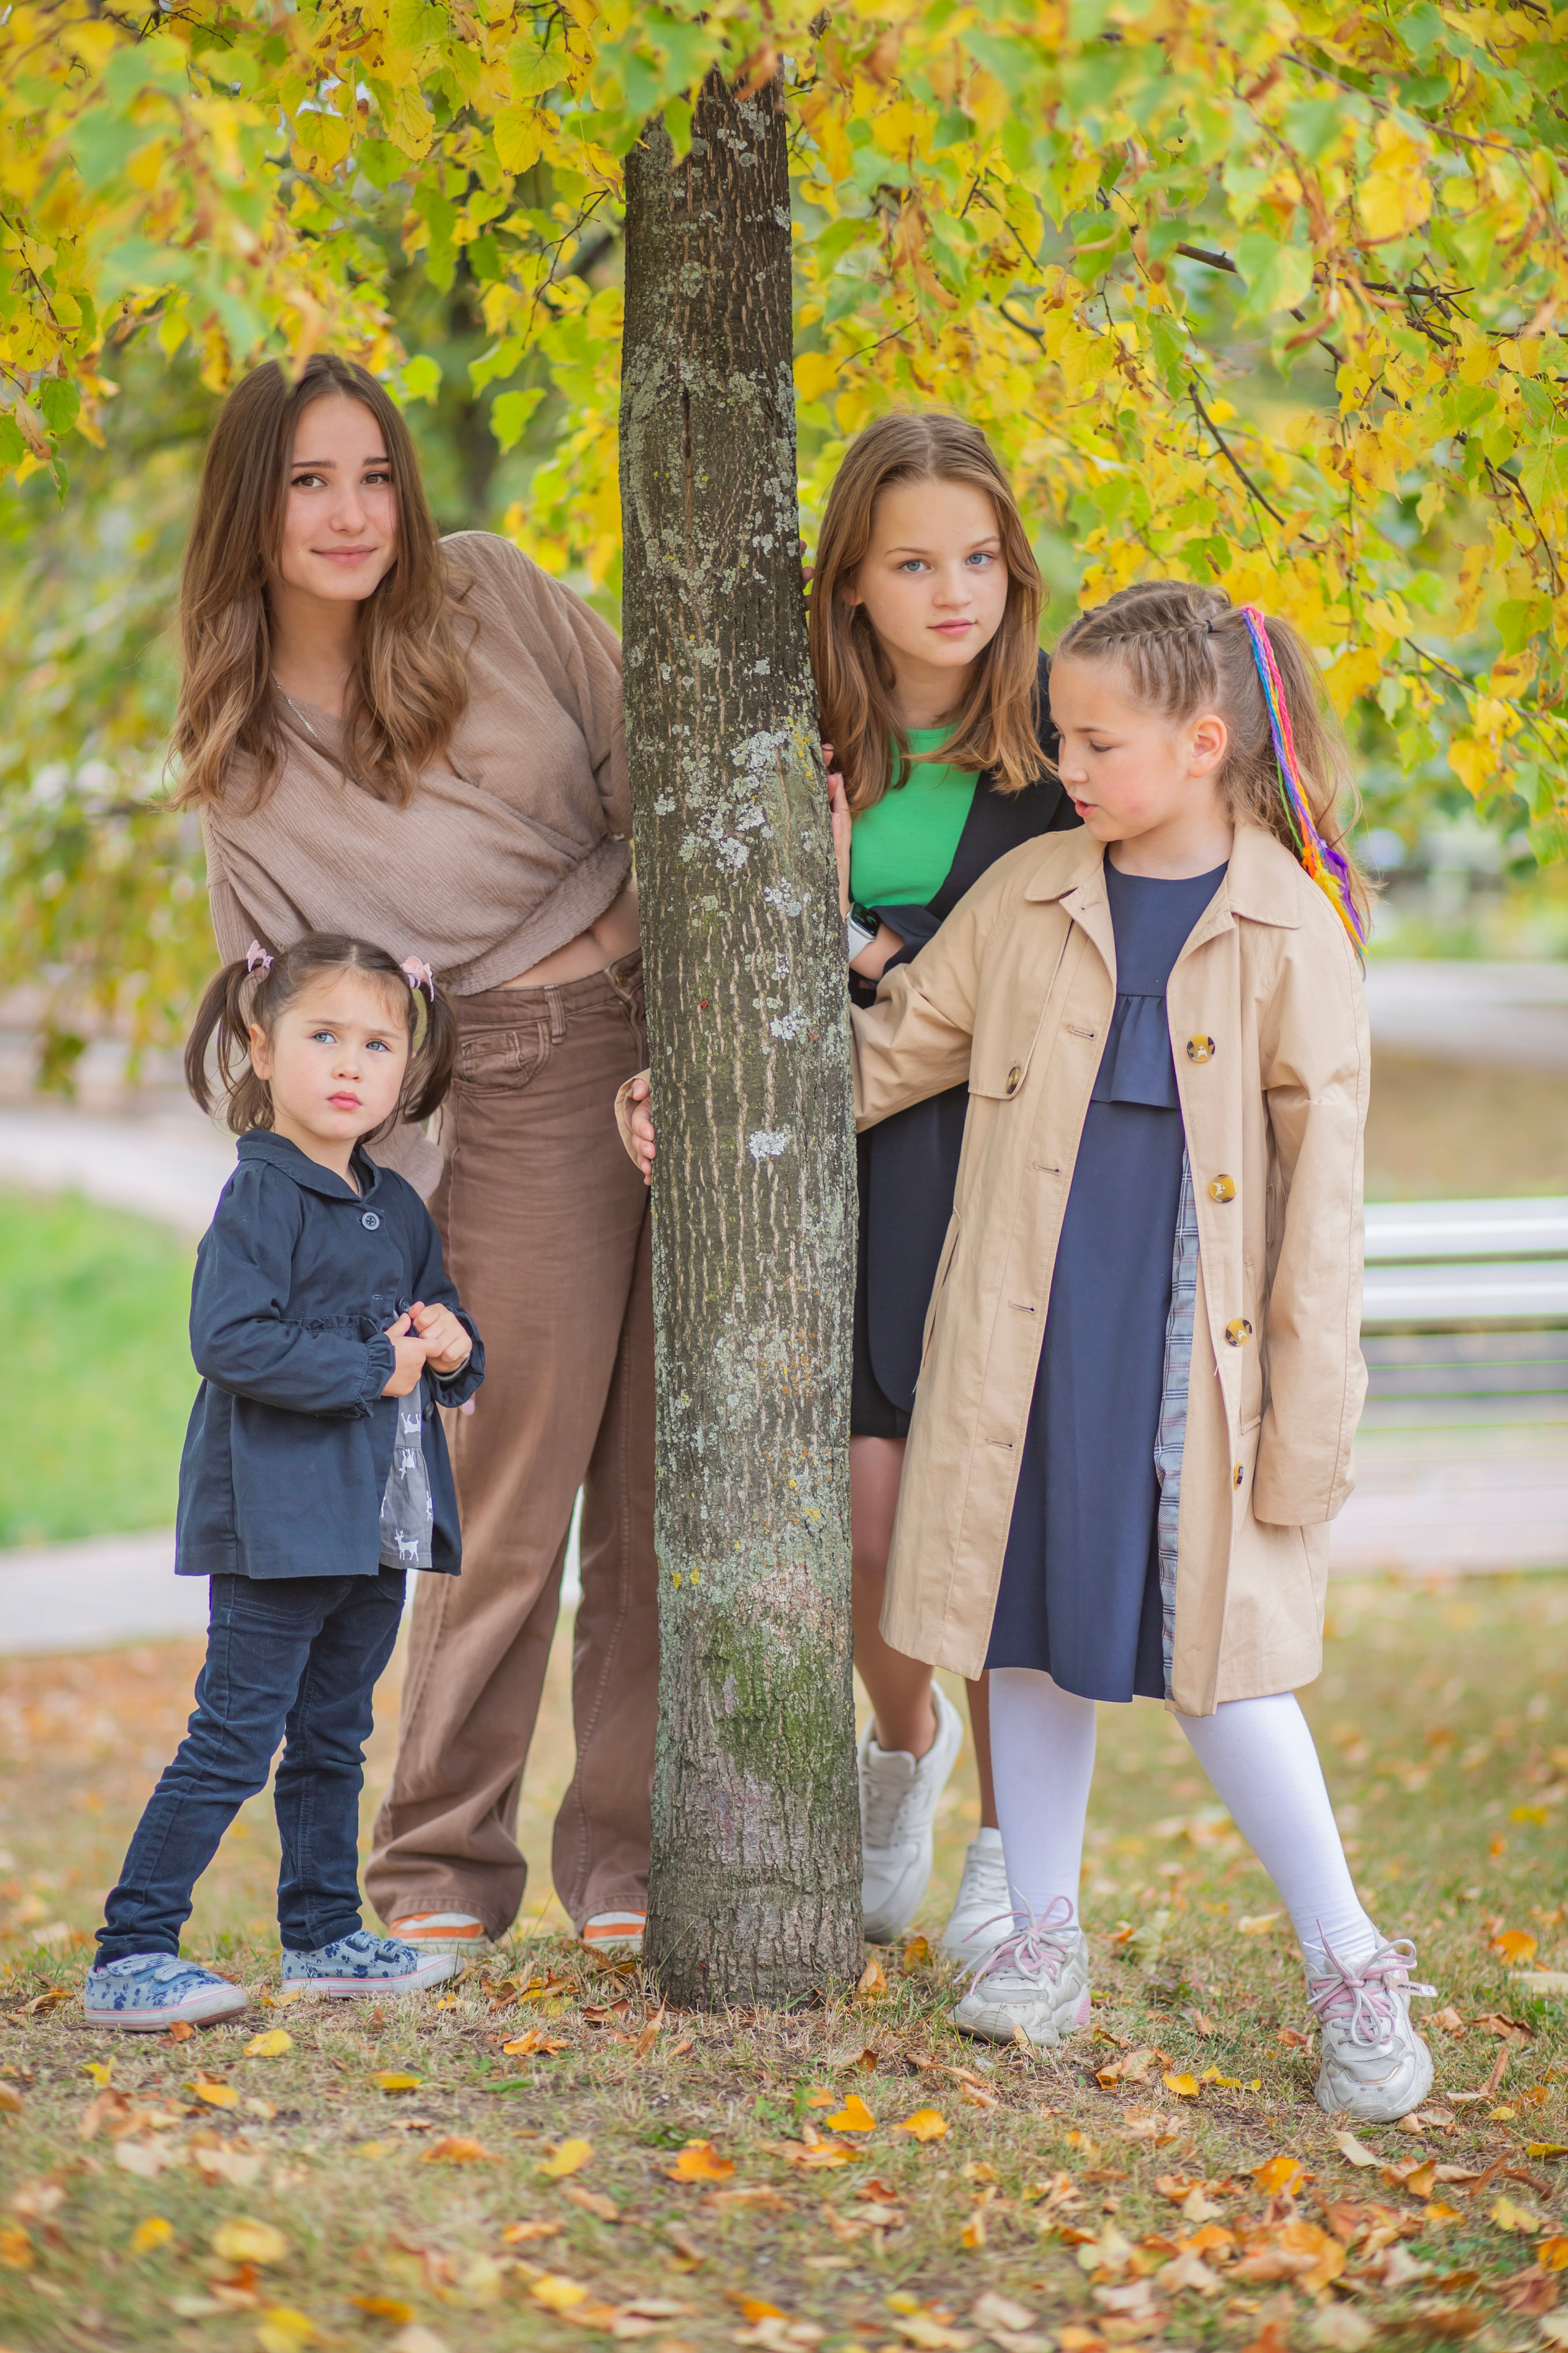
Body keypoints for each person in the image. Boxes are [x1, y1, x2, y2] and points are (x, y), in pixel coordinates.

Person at [628, 583, 1438, 2125]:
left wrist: (1307, 1425)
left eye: (1095, 741)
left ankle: (1348, 1964)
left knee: (1226, 1673)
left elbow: (1320, 1217)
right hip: (1020, 1352)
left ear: (1202, 743)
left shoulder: (1291, 932)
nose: (1063, 764)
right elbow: (886, 1050)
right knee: (1018, 1631)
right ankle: (1040, 1940)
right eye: (1060, 735)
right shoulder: (1028, 897)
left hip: (1193, 1375)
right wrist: (703, 1101)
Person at [173, 353, 655, 1960]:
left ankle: (630, 1858)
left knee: (666, 1482)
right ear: (250, 509)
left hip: (679, 1030)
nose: (351, 511)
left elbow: (655, 771)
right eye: (310, 480)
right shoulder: (247, 765)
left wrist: (692, 1023)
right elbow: (297, 1016)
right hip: (501, 1081)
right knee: (504, 1486)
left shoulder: (495, 593)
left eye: (374, 473)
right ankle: (441, 1866)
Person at [85, 935, 484, 2030]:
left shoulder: (396, 1204)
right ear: (262, 1049)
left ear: (407, 1067)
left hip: (376, 1521)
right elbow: (230, 1340)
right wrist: (370, 1367)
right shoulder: (262, 1193)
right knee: (235, 1734)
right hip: (280, 1520)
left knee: (334, 1735)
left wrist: (451, 1343)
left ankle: (322, 1935)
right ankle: (131, 1948)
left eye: (378, 1044)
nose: (351, 1063)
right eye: (324, 1036)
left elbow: (435, 1315)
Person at [811, 415, 1078, 1959]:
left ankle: (1007, 1846)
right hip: (844, 1160)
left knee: (985, 1516)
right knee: (868, 1525)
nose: (953, 592)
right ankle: (902, 1748)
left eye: (977, 558)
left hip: (1002, 1159)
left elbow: (1038, 968)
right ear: (851, 578)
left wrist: (861, 940)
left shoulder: (1056, 742)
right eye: (912, 563)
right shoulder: (794, 736)